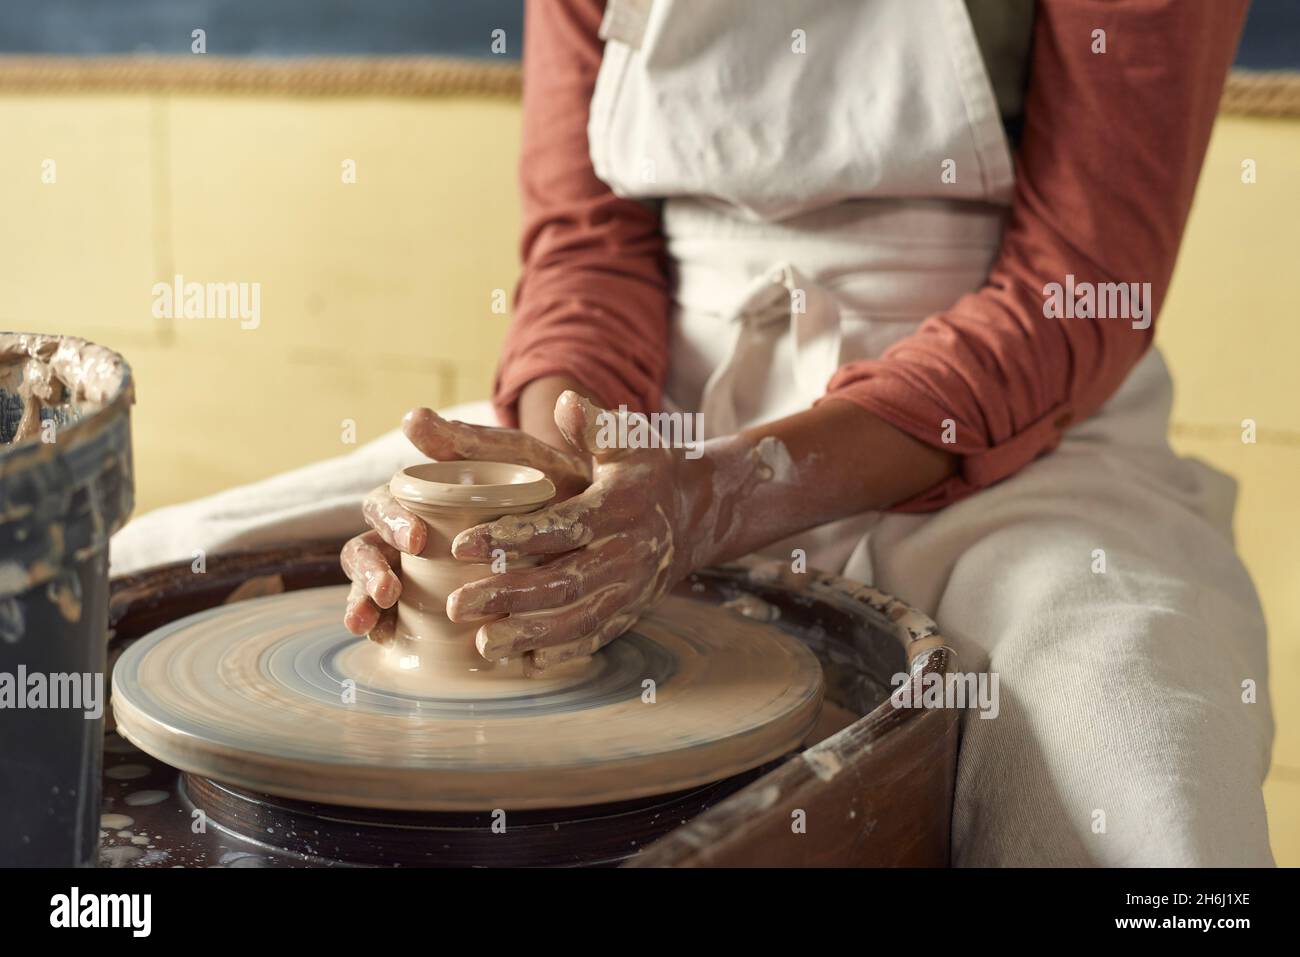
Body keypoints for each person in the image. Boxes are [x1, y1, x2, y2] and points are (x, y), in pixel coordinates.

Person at [112, 0, 1273, 866]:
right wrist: (556, 471)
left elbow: (1080, 285)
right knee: (126, 585)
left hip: (1005, 416)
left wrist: (720, 499)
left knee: (1137, 746)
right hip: (643, 403)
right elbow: (590, 241)